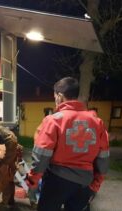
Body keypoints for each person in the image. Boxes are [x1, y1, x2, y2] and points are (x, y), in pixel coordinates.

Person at [25, 77, 109, 211]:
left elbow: (41, 156)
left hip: (56, 181)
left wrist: (32, 183)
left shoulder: (53, 121)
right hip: (84, 183)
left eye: (55, 97)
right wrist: (95, 185)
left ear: (59, 96)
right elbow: (103, 158)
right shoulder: (97, 122)